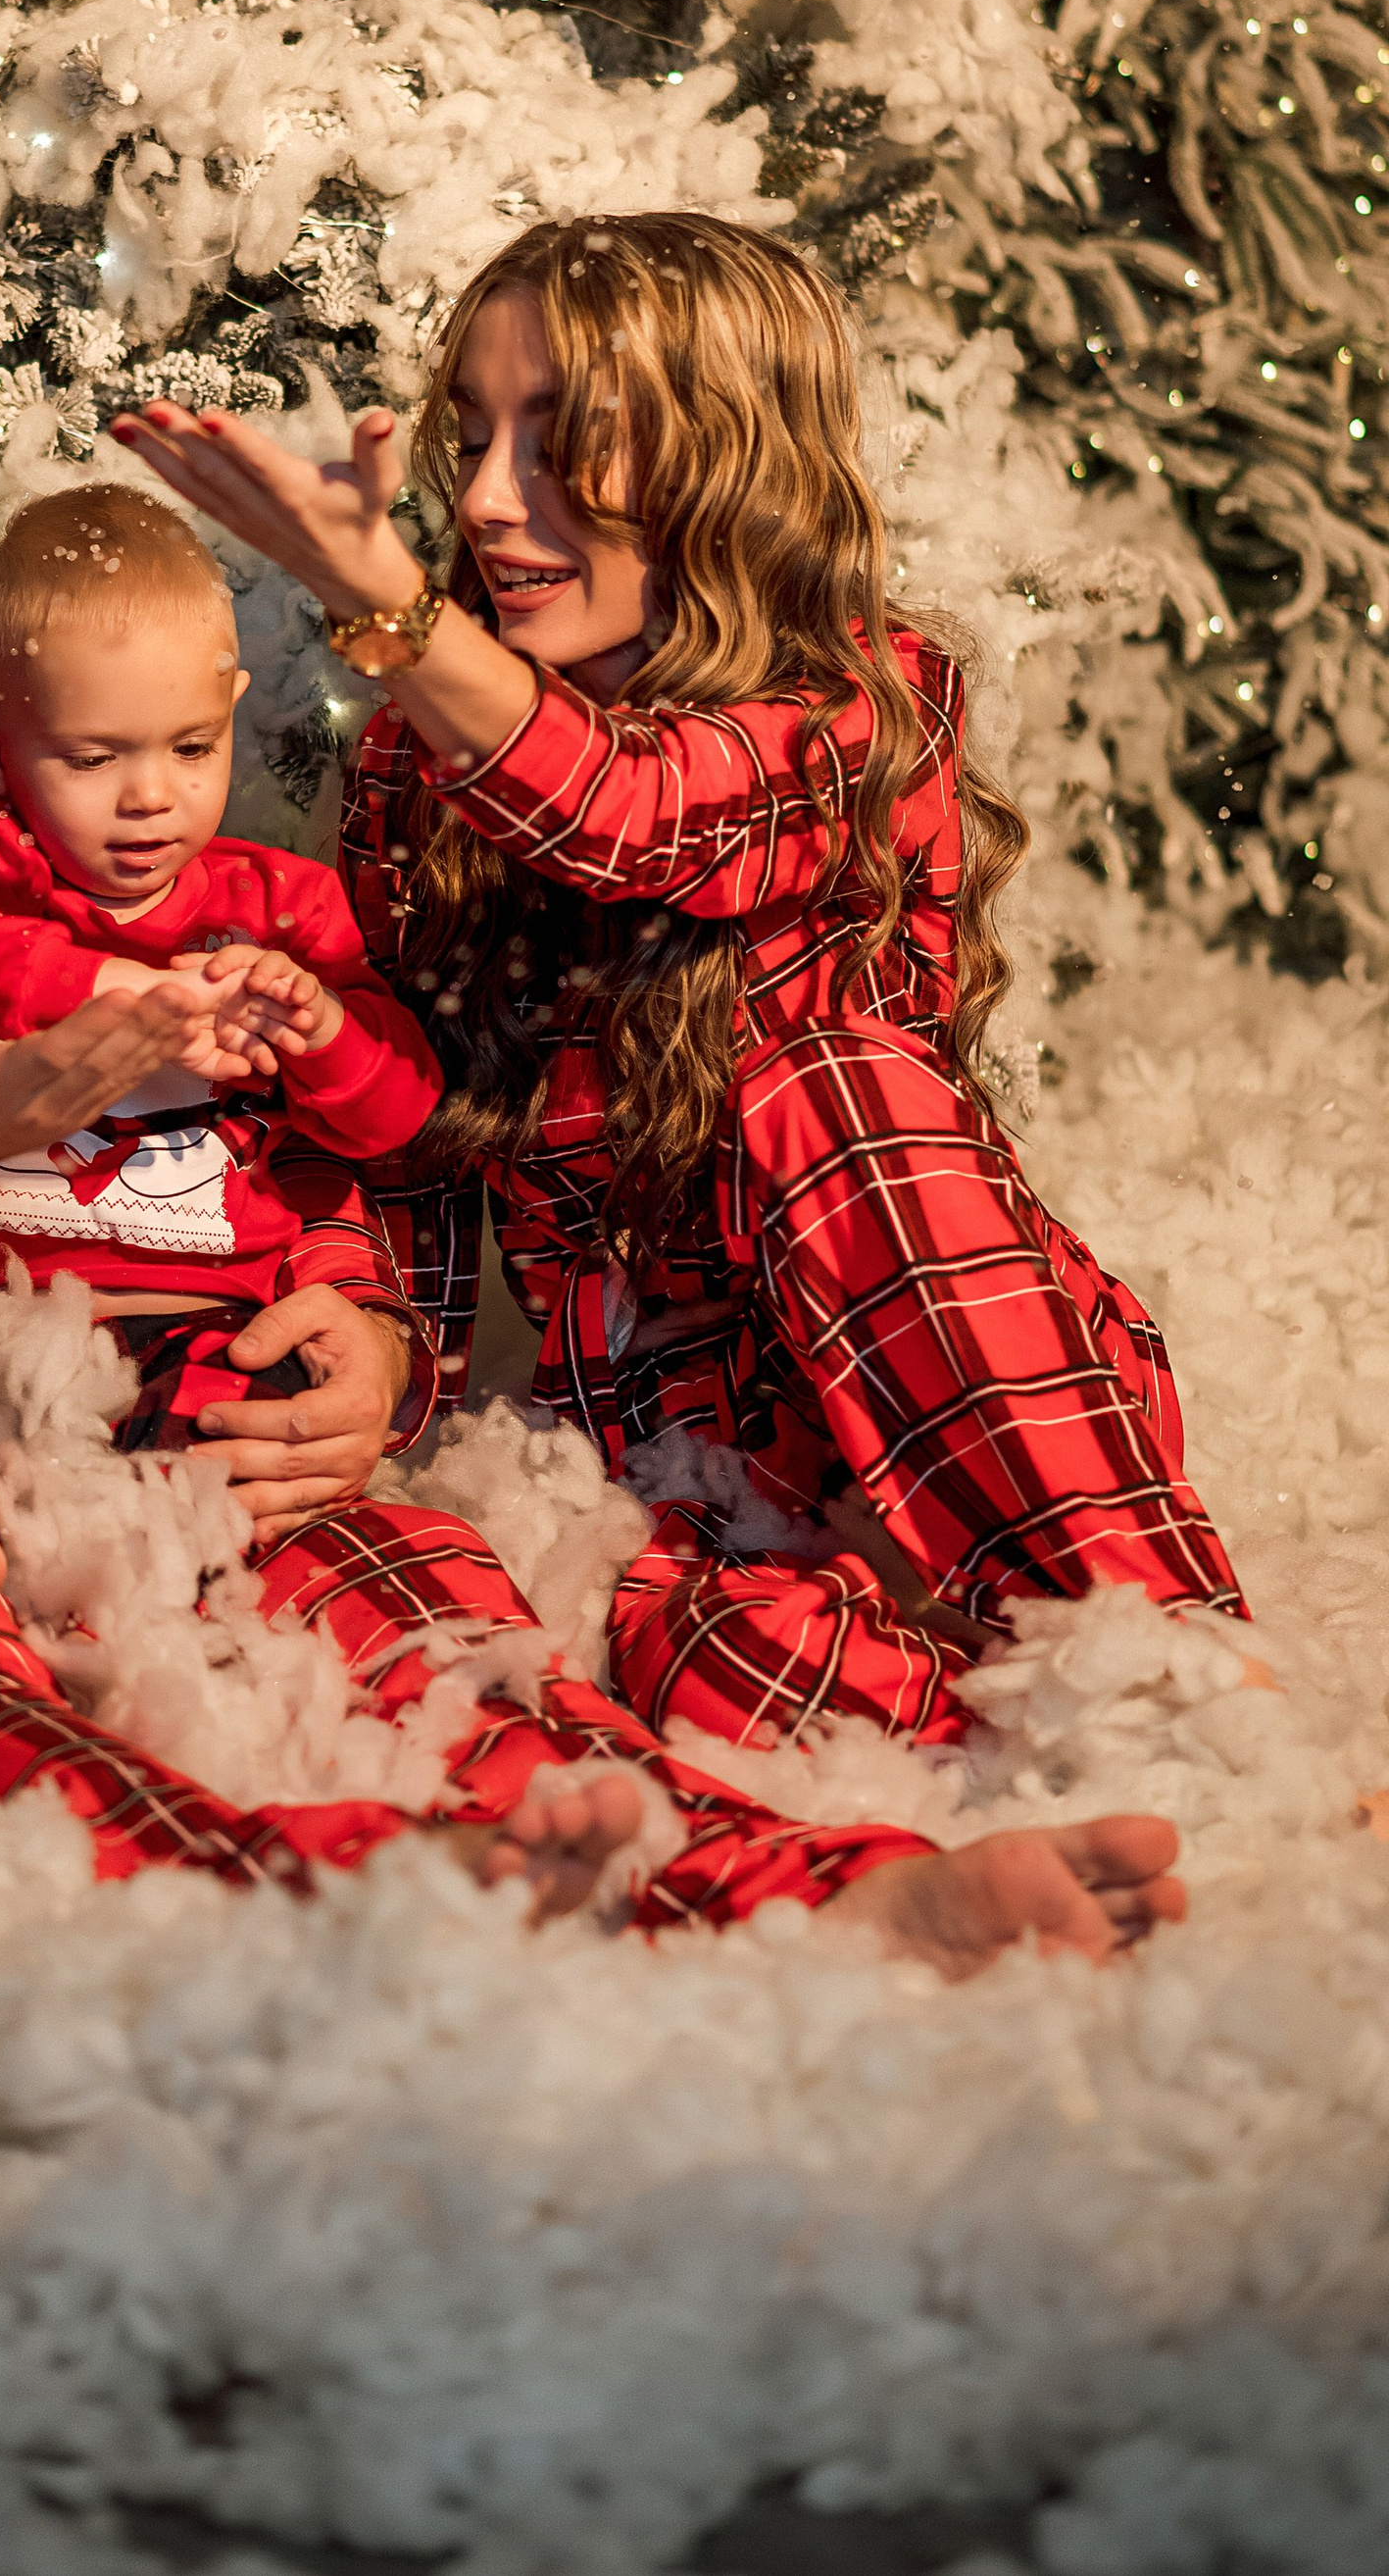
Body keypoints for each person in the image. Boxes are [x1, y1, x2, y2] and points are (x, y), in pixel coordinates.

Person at [0, 221, 1189, 1969]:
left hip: (56, 1364)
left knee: (417, 1595)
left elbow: (279, 1076)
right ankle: (343, 1910)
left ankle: (806, 1897)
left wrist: (360, 1316)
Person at [115, 210, 1248, 1755]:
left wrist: (390, 615)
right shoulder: (413, 770)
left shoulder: (862, 704)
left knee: (826, 1089)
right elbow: (398, 1116)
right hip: (689, 1444)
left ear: (725, 464)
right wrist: (381, 1349)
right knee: (660, 1651)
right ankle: (993, 1707)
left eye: (564, 441)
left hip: (976, 1377)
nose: (496, 500)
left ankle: (1186, 1672)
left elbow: (631, 814)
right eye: (476, 436)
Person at [0, 481, 446, 1589]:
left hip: (186, 1315)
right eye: (94, 759)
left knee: (251, 1407)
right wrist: (119, 996)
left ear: (233, 709)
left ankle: (135, 1544)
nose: (151, 796)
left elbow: (394, 1117)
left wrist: (322, 1024)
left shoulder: (280, 910)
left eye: (191, 746)